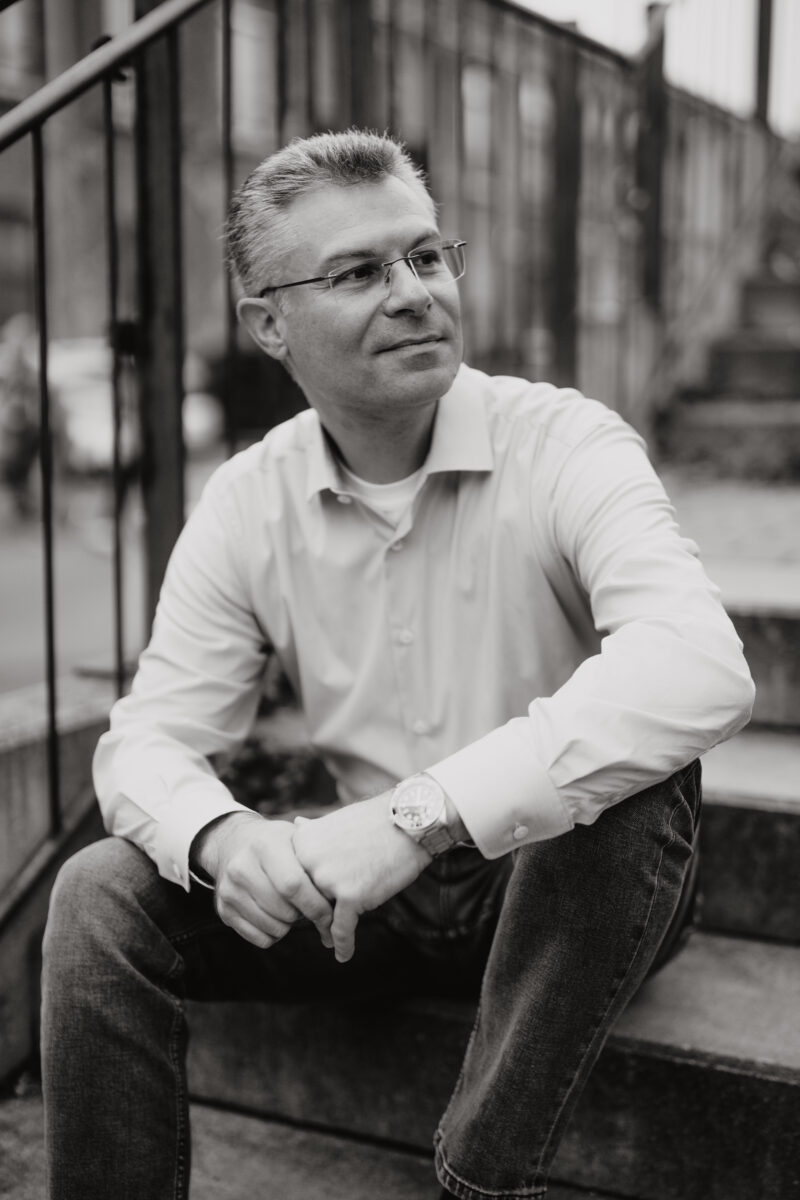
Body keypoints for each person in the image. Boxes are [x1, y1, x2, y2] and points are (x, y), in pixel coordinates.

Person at [41, 129, 754, 1200]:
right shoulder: (247, 498)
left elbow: (697, 665)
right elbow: (149, 738)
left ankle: (474, 1182)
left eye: (425, 256)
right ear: (266, 323)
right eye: (360, 272)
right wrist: (227, 837)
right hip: (362, 899)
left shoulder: (564, 441)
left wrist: (421, 814)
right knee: (99, 892)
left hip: (563, 891)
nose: (415, 293)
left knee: (626, 783)